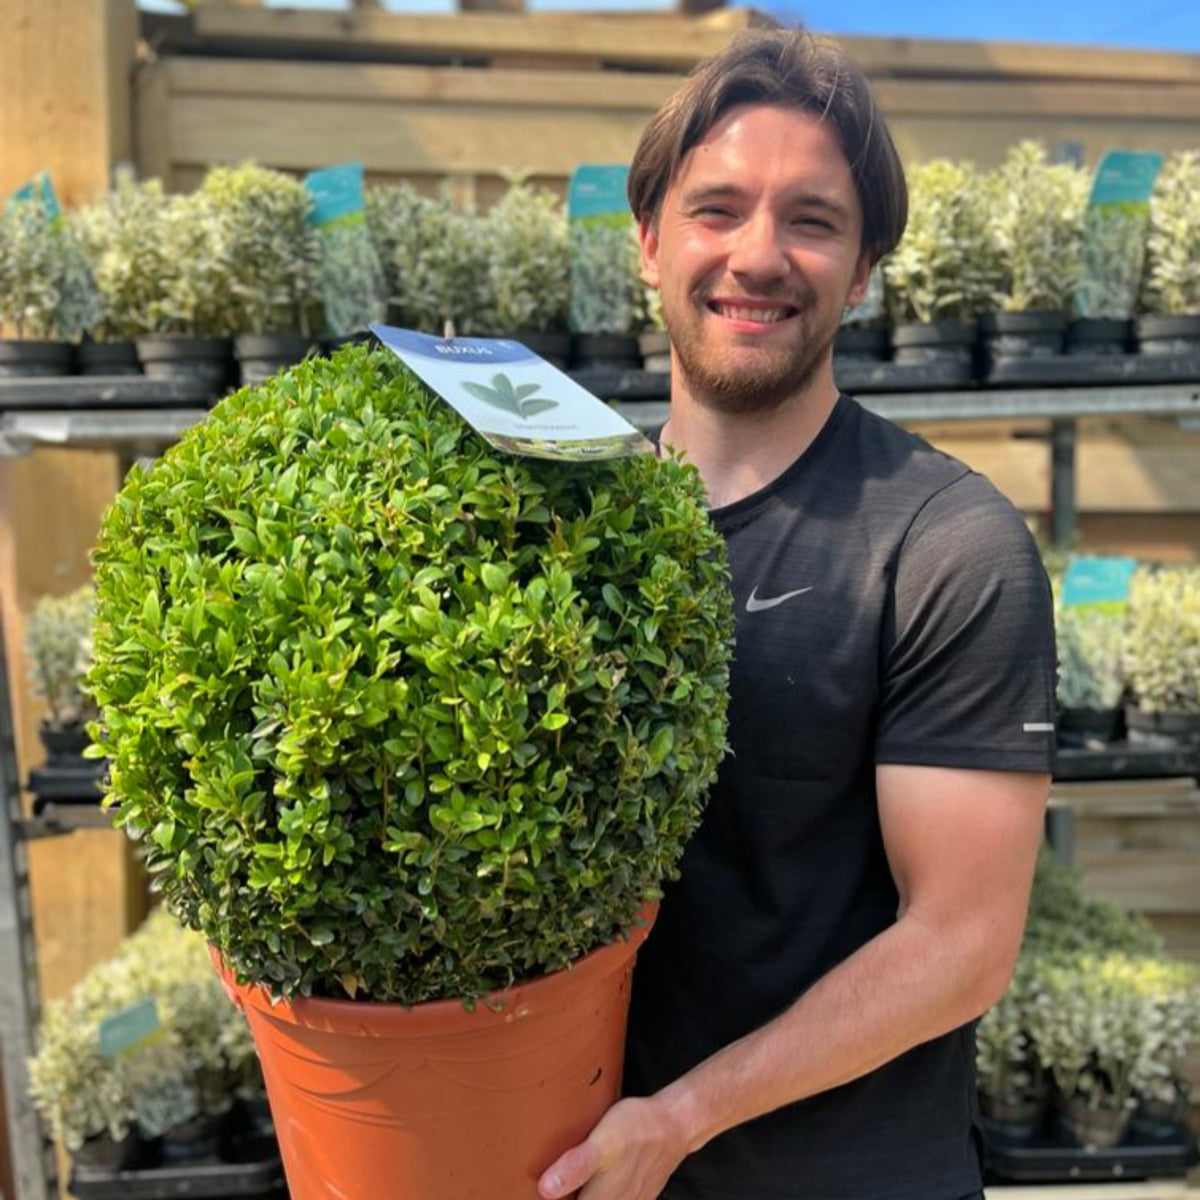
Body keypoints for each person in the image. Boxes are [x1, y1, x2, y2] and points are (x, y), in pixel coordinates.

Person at [537, 25, 1056, 1200]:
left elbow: (961, 947)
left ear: (865, 269)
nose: (758, 255)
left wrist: (680, 1118)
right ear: (650, 241)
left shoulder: (943, 544)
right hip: (581, 1164)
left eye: (812, 221)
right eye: (718, 209)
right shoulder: (562, 526)